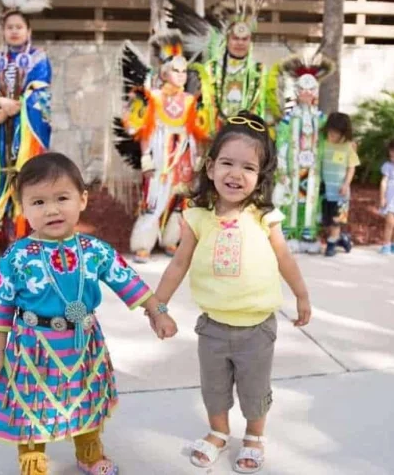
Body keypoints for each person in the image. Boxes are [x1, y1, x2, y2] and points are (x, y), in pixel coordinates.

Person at [0, 152, 178, 475]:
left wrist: (156, 311)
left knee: (87, 397)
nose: (52, 209)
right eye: (39, 202)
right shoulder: (16, 257)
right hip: (33, 349)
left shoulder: (93, 250)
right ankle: (32, 460)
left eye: (62, 198)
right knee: (32, 406)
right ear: (24, 208)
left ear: (82, 199)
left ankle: (89, 451)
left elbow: (124, 276)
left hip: (84, 345)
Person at [153, 112, 312, 473]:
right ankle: (219, 432)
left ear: (259, 178)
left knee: (254, 390)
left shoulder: (262, 216)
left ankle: (255, 435)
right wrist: (157, 306)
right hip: (212, 326)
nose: (235, 174)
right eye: (226, 163)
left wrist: (301, 295)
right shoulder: (197, 216)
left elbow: (284, 258)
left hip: (256, 327)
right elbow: (178, 264)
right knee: (214, 387)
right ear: (210, 168)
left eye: (247, 167)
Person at [111, 32, 209, 263]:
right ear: (164, 73)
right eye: (176, 70)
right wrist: (146, 157)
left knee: (179, 200)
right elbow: (146, 130)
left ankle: (172, 240)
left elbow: (194, 131)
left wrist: (196, 157)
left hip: (183, 154)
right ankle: (143, 243)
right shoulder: (153, 98)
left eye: (184, 71)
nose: (181, 75)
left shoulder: (189, 100)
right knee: (153, 198)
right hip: (160, 154)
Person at [165, 0, 279, 136]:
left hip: (250, 138)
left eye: (244, 39)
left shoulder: (261, 72)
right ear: (227, 39)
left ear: (250, 41)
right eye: (235, 39)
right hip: (213, 138)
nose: (239, 43)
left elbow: (269, 111)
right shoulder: (210, 69)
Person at [0, 9, 52, 244]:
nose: (14, 31)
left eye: (19, 27)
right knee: (3, 169)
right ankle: (6, 229)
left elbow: (41, 94)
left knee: (26, 171)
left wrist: (19, 107)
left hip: (27, 130)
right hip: (2, 128)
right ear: (3, 32)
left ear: (29, 31)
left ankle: (29, 227)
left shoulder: (39, 58)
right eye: (9, 27)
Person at [269, 48, 336, 254]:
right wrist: (281, 166)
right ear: (297, 92)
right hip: (292, 167)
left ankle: (308, 232)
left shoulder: (322, 119)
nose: (307, 93)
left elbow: (330, 142)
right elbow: (282, 142)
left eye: (311, 89)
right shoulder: (289, 119)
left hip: (313, 168)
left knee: (311, 198)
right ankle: (288, 232)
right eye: (303, 89)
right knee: (291, 196)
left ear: (315, 92)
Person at [320, 112, 358, 258]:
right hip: (326, 191)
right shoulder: (324, 143)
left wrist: (346, 184)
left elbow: (351, 168)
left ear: (344, 133)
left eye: (335, 134)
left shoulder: (348, 147)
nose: (332, 137)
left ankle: (331, 245)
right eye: (330, 133)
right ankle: (341, 239)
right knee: (328, 220)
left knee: (337, 219)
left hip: (341, 192)